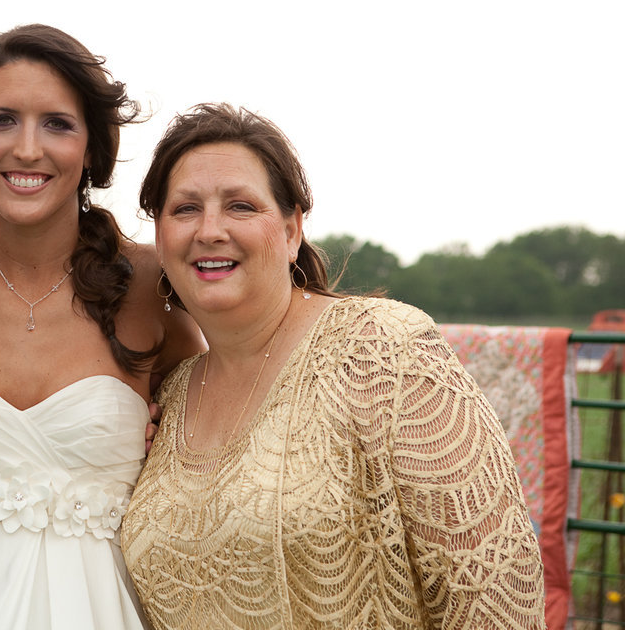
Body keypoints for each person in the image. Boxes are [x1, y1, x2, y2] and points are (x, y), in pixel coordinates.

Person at [120, 103, 547, 629]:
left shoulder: (386, 351)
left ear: (292, 229)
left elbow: (492, 590)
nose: (209, 230)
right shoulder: (173, 397)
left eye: (240, 206)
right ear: (160, 240)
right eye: (185, 209)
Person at [0, 24, 203, 629]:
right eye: (2, 119)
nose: (27, 149)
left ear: (91, 148)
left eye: (57, 124)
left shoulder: (151, 284)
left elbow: (225, 417)